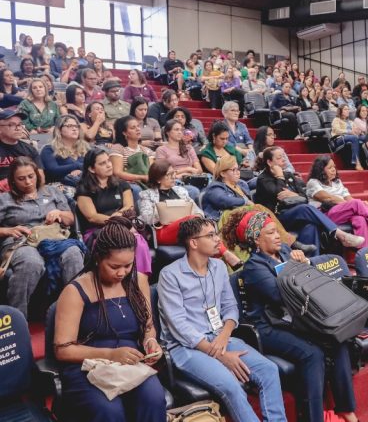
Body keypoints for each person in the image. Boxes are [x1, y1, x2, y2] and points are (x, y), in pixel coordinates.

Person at [225, 209, 360, 422]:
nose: (278, 235)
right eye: (270, 233)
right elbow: (280, 296)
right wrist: (296, 268)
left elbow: (314, 283)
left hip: (298, 319)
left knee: (338, 339)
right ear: (256, 240)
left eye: (276, 231)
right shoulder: (254, 266)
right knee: (312, 353)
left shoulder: (287, 251)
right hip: (269, 327)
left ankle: (346, 409)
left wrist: (306, 263)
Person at [157, 217, 286, 422]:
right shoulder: (170, 275)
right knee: (231, 386)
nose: (218, 239)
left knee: (269, 370)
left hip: (221, 338)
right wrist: (219, 355)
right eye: (211, 235)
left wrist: (225, 336)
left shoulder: (218, 267)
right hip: (186, 348)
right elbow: (179, 325)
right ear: (193, 243)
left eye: (216, 233)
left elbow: (230, 307)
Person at [53, 216, 165, 422]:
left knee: (154, 398)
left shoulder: (138, 281)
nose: (122, 272)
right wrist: (111, 354)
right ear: (97, 258)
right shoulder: (76, 290)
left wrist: (150, 341)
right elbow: (62, 349)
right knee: (109, 411)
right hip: (87, 364)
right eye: (114, 266)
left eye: (128, 265)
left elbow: (148, 325)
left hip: (129, 361)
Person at [0, 157, 84, 318]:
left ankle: (76, 313)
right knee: (32, 262)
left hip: (54, 238)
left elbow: (71, 220)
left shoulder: (51, 192)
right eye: (21, 178)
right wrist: (8, 230)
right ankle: (17, 318)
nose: (28, 182)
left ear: (37, 175)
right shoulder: (5, 199)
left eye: (31, 176)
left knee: (73, 253)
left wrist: (59, 213)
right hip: (22, 242)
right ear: (13, 180)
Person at [255, 146, 364, 252]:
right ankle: (340, 235)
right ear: (269, 162)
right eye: (279, 158)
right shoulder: (263, 179)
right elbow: (280, 196)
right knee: (305, 208)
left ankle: (312, 262)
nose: (283, 159)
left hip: (297, 214)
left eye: (283, 156)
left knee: (311, 226)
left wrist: (293, 194)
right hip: (278, 217)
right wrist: (279, 177)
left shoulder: (289, 175)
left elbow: (305, 197)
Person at [306, 156, 368, 247]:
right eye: (329, 168)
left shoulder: (337, 182)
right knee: (357, 204)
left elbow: (349, 198)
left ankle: (363, 253)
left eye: (334, 167)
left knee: (360, 218)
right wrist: (356, 204)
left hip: (340, 212)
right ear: (320, 170)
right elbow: (328, 198)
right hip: (323, 216)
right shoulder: (313, 182)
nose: (333, 170)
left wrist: (360, 204)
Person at [41, 115, 89, 187]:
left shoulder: (86, 147)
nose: (74, 129)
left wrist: (80, 172)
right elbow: (53, 170)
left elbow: (95, 166)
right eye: (69, 126)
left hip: (84, 184)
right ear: (59, 130)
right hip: (60, 187)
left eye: (76, 126)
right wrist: (78, 166)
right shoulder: (49, 149)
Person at [0, 109, 42, 181]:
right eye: (11, 125)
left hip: (26, 189)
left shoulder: (30, 149)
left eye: (19, 124)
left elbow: (40, 178)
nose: (18, 128)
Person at [221, 101, 254, 167]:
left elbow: (248, 140)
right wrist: (241, 150)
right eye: (233, 110)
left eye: (237, 111)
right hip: (229, 153)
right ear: (225, 112)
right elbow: (226, 143)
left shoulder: (242, 126)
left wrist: (250, 150)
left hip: (245, 153)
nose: (236, 113)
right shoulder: (221, 125)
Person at [331, 104, 364, 171]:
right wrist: (349, 132)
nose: (348, 111)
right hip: (340, 138)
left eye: (348, 109)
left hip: (352, 137)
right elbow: (337, 130)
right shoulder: (336, 120)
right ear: (340, 111)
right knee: (354, 138)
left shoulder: (350, 122)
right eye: (345, 109)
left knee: (366, 137)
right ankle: (357, 162)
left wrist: (358, 131)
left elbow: (355, 130)